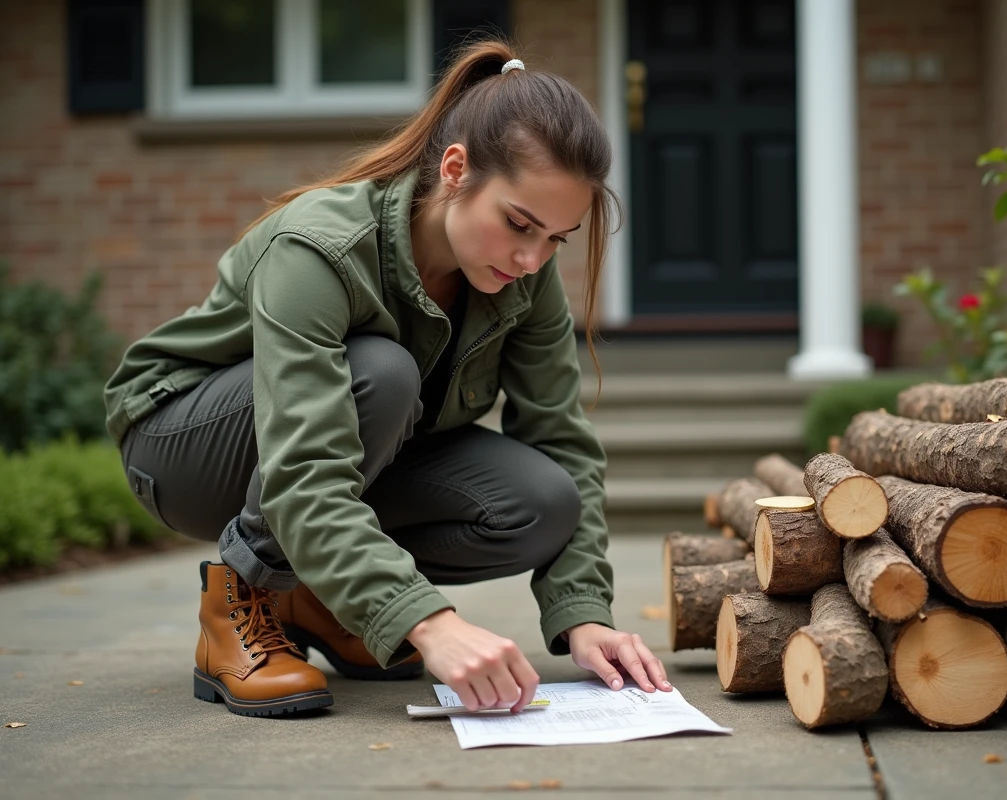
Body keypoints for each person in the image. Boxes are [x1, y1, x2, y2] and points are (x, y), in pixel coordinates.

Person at [103, 40, 672, 718]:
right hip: (181, 445)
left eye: (556, 237)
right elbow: (305, 472)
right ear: (456, 170)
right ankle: (239, 604)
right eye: (519, 223)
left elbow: (561, 441)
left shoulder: (526, 274)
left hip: (334, 453)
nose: (531, 257)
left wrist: (585, 614)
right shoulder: (319, 249)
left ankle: (315, 599)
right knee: (381, 372)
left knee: (542, 499)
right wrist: (428, 622)